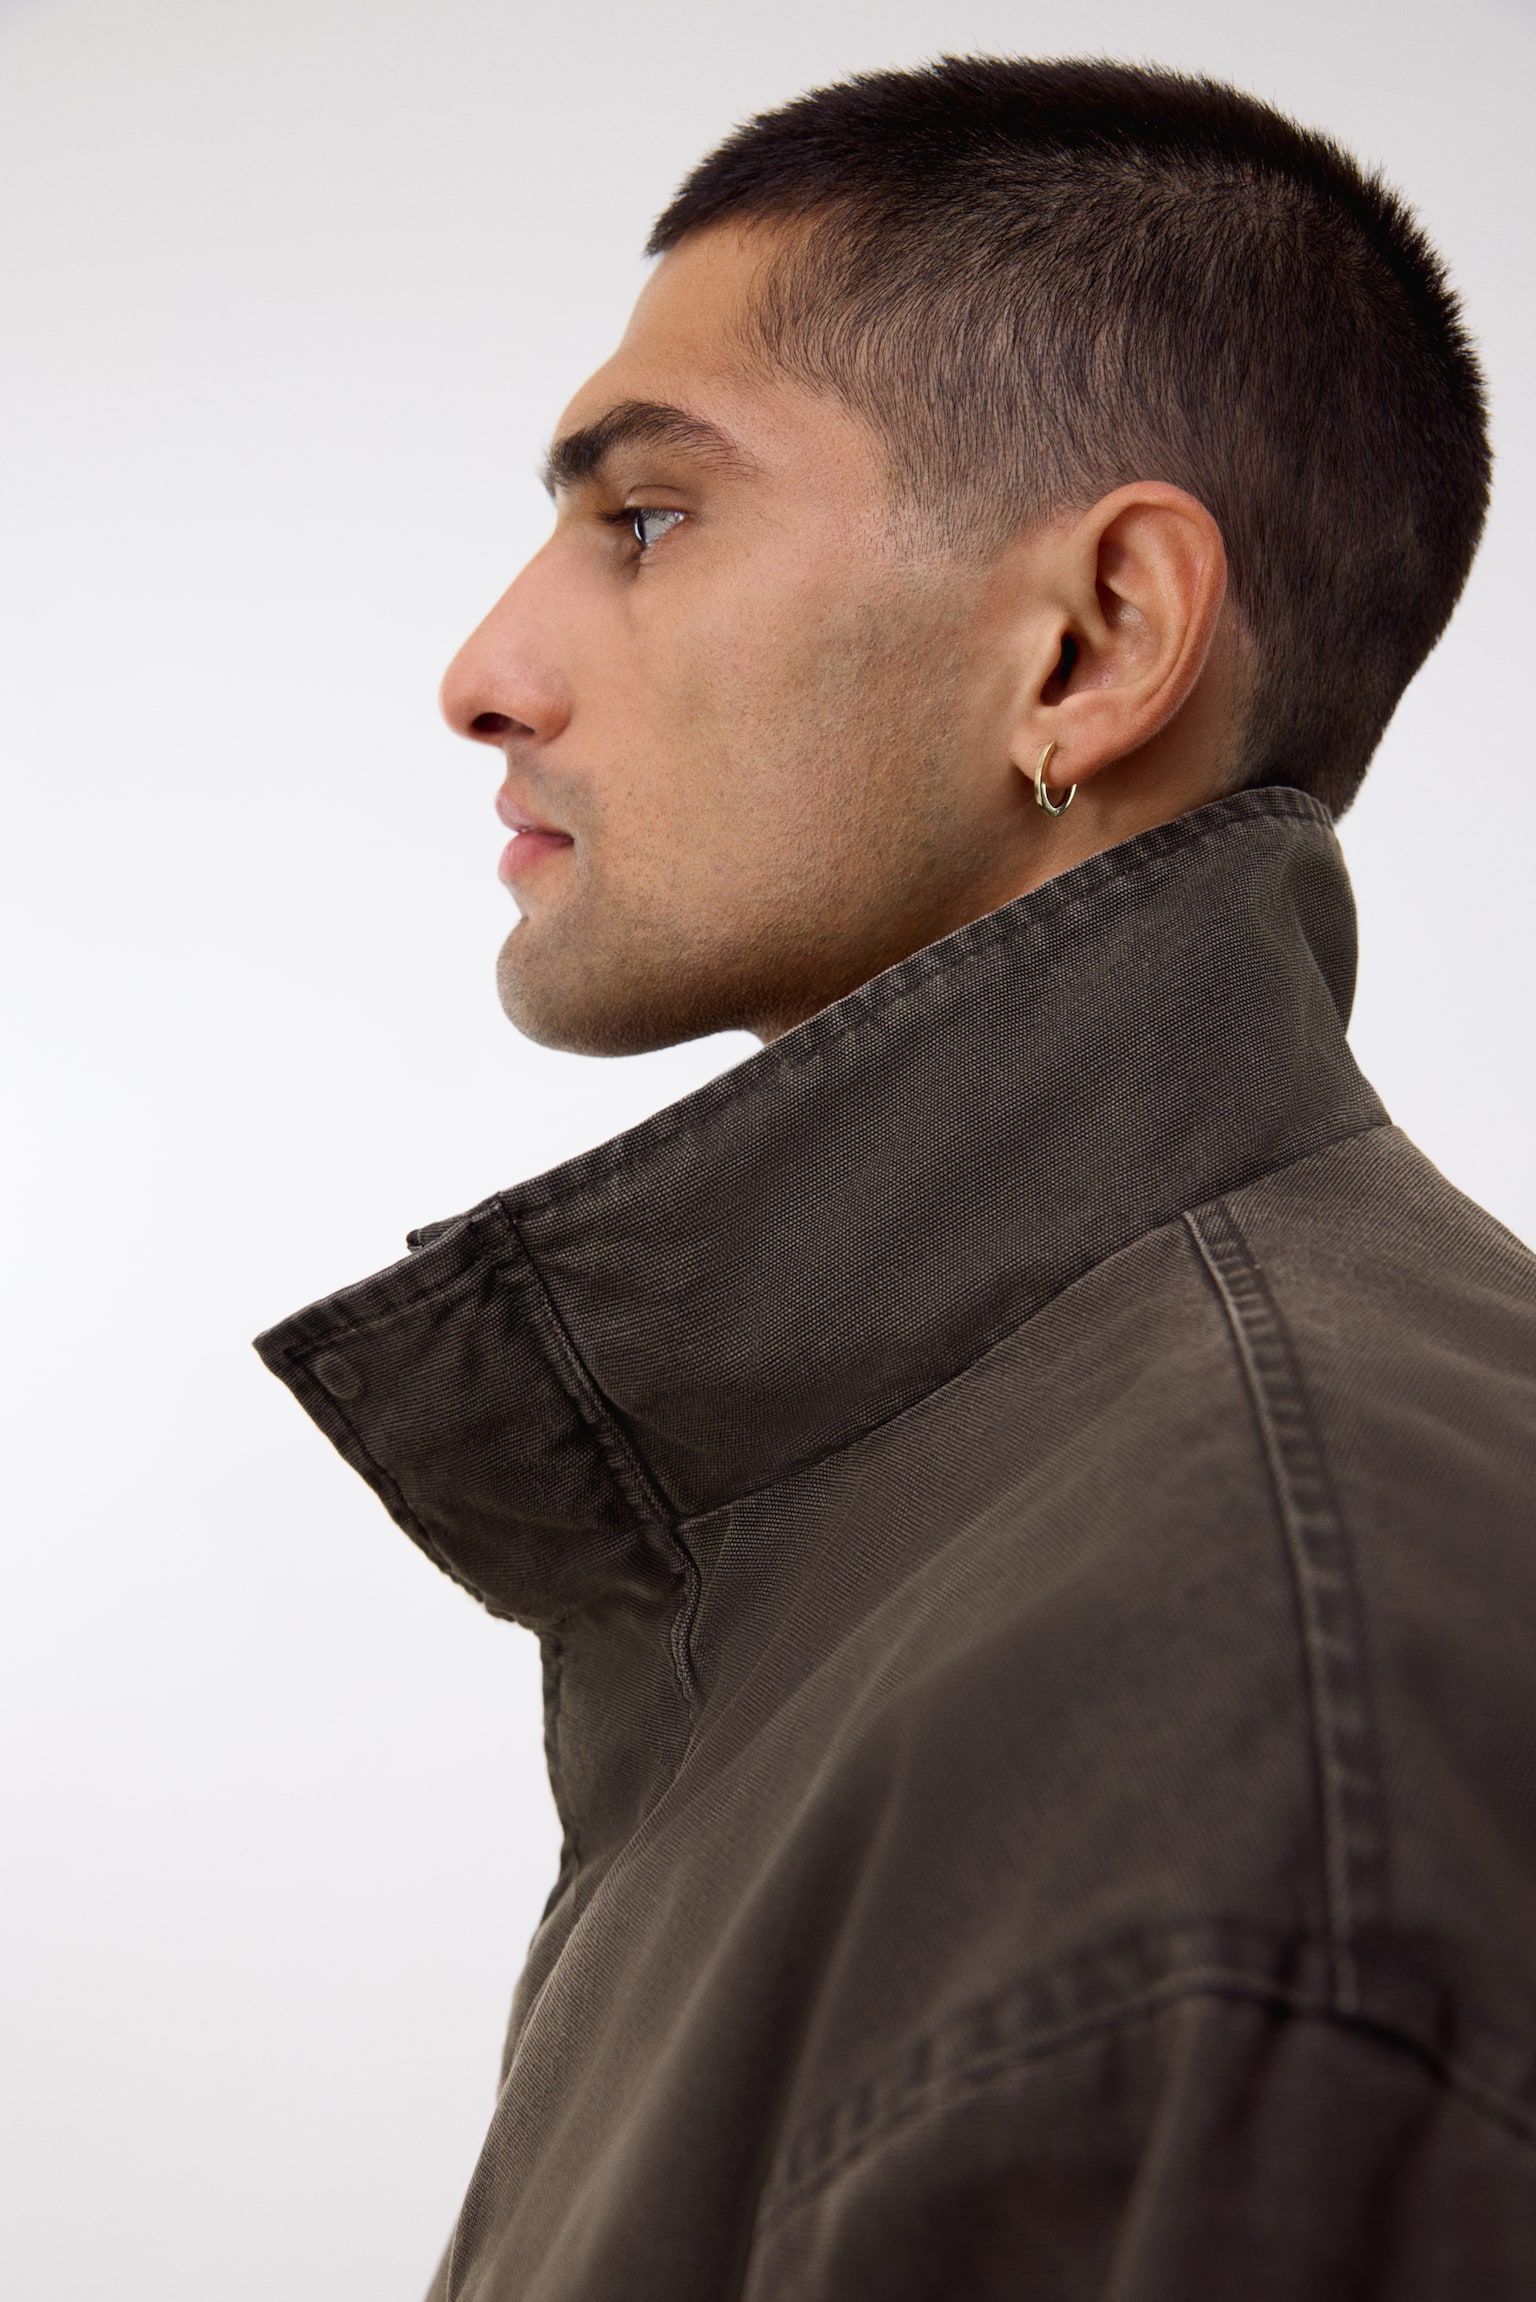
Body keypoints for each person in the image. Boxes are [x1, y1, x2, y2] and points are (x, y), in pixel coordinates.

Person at [256, 57, 1536, 2299]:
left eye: (648, 518)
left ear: (1095, 639)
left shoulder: (1237, 1691)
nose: (485, 673)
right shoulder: (1052, 1511)